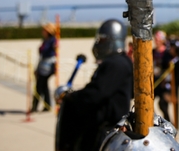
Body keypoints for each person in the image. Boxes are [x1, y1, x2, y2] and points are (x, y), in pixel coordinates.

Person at [56, 19, 133, 151]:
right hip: (101, 128)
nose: (98, 44)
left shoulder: (116, 64)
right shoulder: (116, 62)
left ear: (112, 39)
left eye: (102, 40)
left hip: (106, 130)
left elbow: (97, 93)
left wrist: (71, 97)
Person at [31, 22, 57, 113]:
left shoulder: (53, 40)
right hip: (42, 64)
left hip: (48, 66)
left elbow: (54, 50)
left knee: (39, 86)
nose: (43, 32)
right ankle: (47, 105)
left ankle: (35, 106)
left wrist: (55, 47)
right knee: (44, 86)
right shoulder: (46, 40)